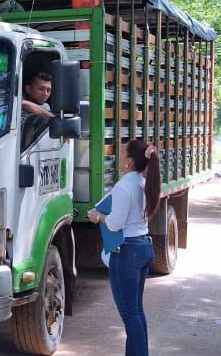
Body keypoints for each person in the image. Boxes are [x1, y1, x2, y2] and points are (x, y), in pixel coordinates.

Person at [87, 139, 160, 356]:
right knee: (136, 311)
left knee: (130, 314)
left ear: (129, 162)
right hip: (143, 247)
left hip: (127, 251)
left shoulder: (123, 186)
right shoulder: (142, 183)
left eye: (120, 154)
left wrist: (97, 216)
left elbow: (115, 223)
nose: (117, 157)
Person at [20, 71, 53, 149]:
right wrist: (50, 117)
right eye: (41, 89)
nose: (45, 94)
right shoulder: (17, 103)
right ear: (28, 89)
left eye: (48, 90)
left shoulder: (46, 107)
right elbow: (23, 104)